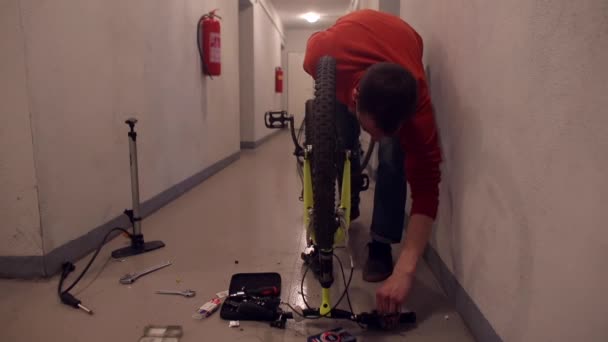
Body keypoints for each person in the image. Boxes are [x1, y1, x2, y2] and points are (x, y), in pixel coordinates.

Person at [302, 9, 442, 315]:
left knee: (393, 156)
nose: (374, 140)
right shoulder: (321, 55)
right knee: (340, 137)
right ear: (355, 96)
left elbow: (428, 185)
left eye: (380, 133)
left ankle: (380, 243)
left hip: (404, 42)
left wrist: (405, 270)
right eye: (370, 130)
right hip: (346, 50)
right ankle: (346, 201)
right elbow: (313, 51)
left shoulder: (418, 107)